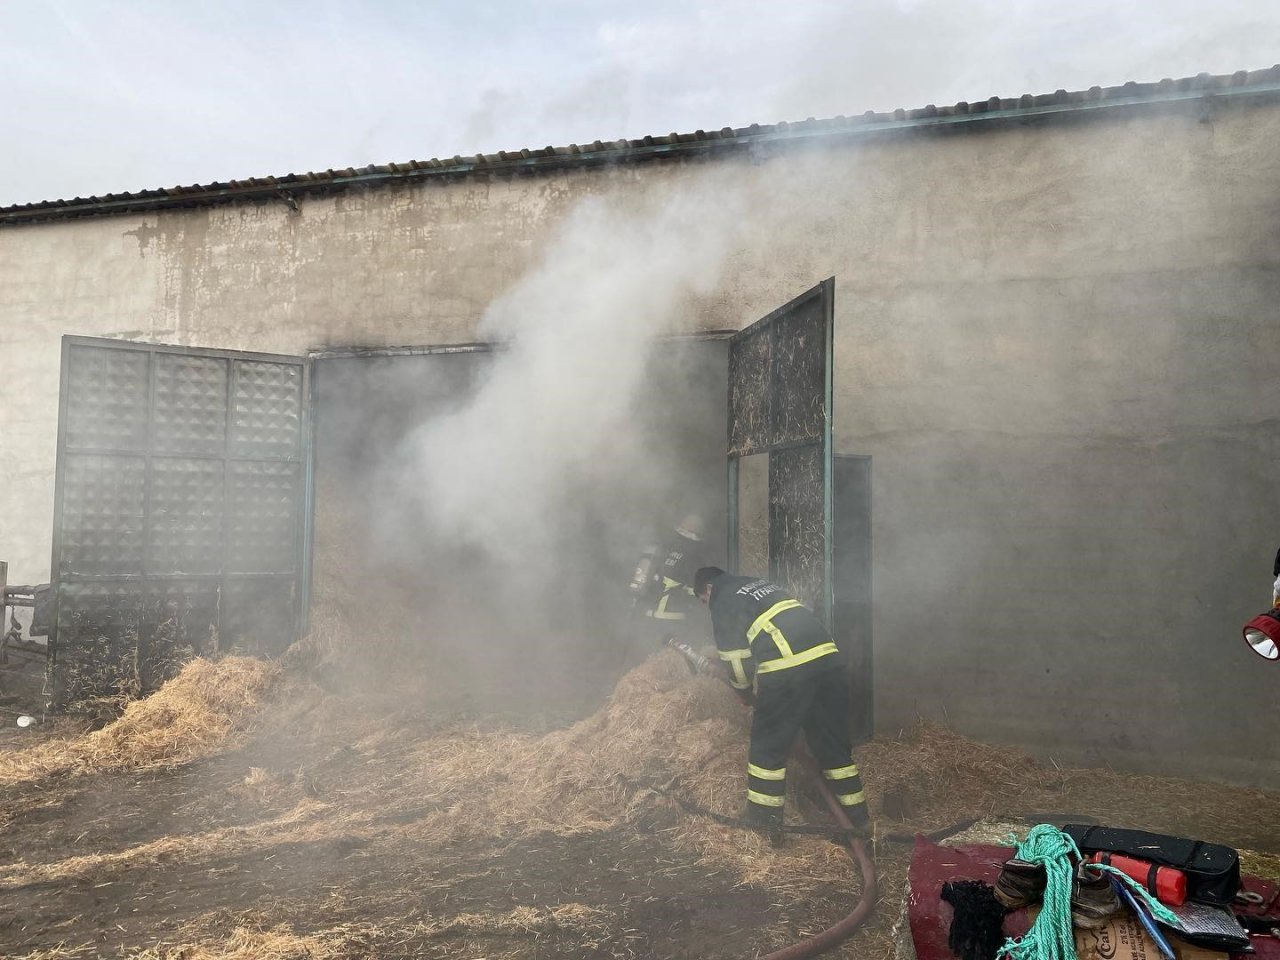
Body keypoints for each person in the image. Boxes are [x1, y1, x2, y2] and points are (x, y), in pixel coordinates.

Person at [693, 565, 870, 833]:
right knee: (833, 747)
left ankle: (765, 827)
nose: (707, 605)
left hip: (788, 669)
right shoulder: (758, 585)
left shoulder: (722, 598)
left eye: (703, 600)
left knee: (767, 748)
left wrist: (742, 692)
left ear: (708, 588)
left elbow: (736, 660)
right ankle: (857, 821)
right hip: (829, 663)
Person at [631, 514, 707, 646]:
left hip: (645, 618)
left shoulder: (663, 548)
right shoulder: (695, 556)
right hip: (673, 624)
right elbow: (698, 598)